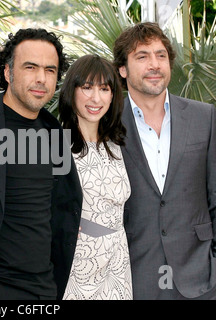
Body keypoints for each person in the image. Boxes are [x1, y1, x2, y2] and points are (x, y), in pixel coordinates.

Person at [113, 22, 216, 299]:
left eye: (161, 55)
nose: (154, 64)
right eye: (142, 56)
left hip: (202, 276)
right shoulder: (106, 123)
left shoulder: (203, 117)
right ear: (122, 69)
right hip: (135, 278)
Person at [0, 28, 83, 300]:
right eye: (30, 67)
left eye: (50, 70)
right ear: (7, 72)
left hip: (43, 289)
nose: (41, 78)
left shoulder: (54, 134)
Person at [59, 54, 132, 300]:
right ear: (72, 91)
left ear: (113, 96)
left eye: (104, 89)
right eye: (87, 87)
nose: (96, 98)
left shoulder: (117, 146)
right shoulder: (55, 147)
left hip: (117, 267)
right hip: (76, 269)